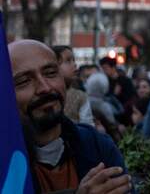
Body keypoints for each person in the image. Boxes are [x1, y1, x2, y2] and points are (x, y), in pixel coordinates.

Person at [9, 39, 133, 193]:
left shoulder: (97, 144)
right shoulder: (6, 160)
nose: (45, 88)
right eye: (23, 81)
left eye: (51, 73)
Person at [52, 45, 93, 126]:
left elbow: (88, 126)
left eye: (74, 60)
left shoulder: (80, 96)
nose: (75, 64)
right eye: (68, 61)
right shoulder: (46, 95)